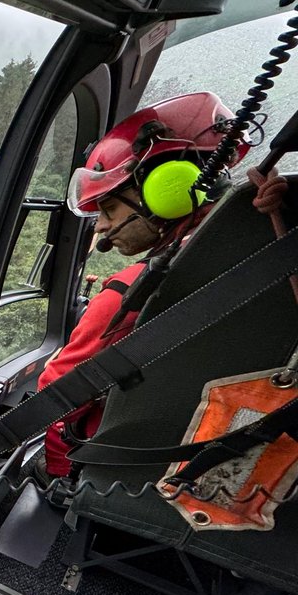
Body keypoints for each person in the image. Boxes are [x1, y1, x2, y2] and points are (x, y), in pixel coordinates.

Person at [37, 92, 247, 481]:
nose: (101, 226)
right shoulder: (247, 259)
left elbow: (55, 403)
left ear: (169, 189)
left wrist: (53, 476)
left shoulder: (131, 292)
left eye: (109, 208)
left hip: (117, 475)